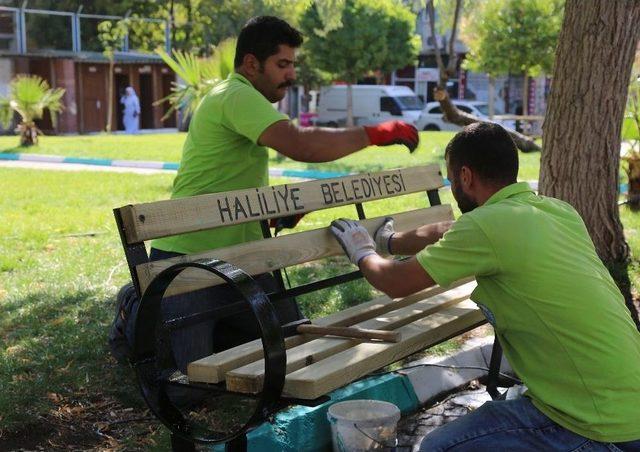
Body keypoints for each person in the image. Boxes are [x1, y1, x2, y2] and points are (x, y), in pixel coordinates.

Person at [109, 16, 419, 374]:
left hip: (247, 258)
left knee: (287, 350)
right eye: (282, 64)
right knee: (186, 384)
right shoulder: (235, 94)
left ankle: (215, 324)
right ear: (252, 64)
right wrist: (375, 133)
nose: (291, 74)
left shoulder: (245, 99)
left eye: (292, 64)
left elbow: (233, 174)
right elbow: (300, 144)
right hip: (188, 260)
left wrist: (270, 212)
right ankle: (133, 305)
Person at [330, 122, 640, 451]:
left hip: (593, 425)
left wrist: (362, 250)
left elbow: (394, 281)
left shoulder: (486, 226)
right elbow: (447, 229)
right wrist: (389, 241)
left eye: (451, 179)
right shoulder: (555, 210)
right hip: (627, 404)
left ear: (465, 176)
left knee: (439, 447)